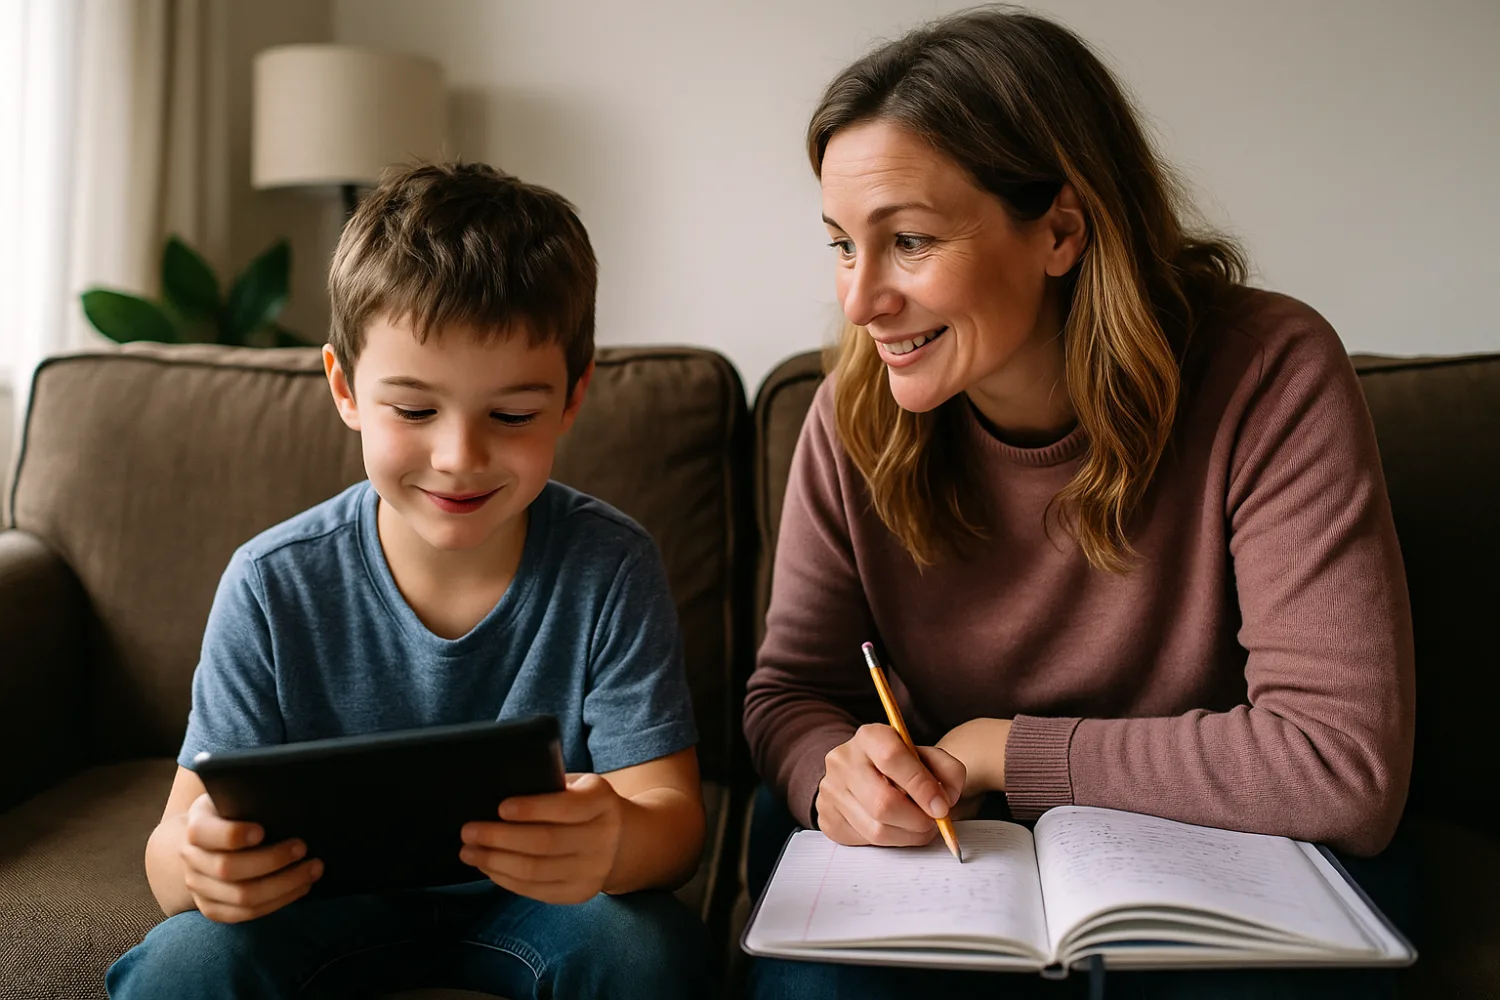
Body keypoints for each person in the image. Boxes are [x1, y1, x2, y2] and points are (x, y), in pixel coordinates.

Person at [742, 8, 1417, 999]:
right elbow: (787, 696)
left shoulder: (1269, 374)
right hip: (963, 868)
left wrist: (1002, 750)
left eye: (911, 241)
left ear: (1060, 229)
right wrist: (833, 769)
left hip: (1217, 865)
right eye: (845, 244)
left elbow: (1339, 765)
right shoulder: (852, 413)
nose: (859, 301)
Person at [107, 161, 714, 999]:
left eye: (511, 415)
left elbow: (673, 819)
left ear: (574, 399)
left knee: (649, 953)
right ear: (345, 387)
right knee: (185, 963)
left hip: (549, 905)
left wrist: (615, 841)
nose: (459, 457)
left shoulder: (609, 565)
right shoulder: (271, 582)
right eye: (415, 409)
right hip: (314, 906)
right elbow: (173, 850)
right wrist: (198, 865)